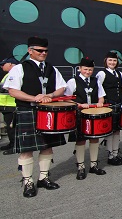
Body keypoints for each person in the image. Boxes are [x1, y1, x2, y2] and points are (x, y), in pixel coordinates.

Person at [4, 37, 67, 198]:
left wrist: (50, 95)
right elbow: (13, 91)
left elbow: (62, 87)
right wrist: (35, 98)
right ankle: (28, 181)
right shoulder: (19, 68)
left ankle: (43, 178)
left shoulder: (52, 69)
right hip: (28, 111)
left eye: (45, 50)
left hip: (48, 112)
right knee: (27, 149)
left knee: (47, 145)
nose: (43, 53)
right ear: (29, 50)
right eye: (39, 50)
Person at [64, 57, 107, 179]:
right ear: (80, 69)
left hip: (94, 114)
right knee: (81, 140)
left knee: (94, 139)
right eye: (85, 69)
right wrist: (79, 105)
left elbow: (101, 96)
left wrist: (100, 102)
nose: (88, 72)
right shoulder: (73, 81)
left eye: (90, 70)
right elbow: (67, 99)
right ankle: (80, 167)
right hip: (79, 115)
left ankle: (93, 165)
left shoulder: (96, 81)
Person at [96, 52, 122, 166]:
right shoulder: (102, 73)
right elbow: (98, 89)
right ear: (106, 61)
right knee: (110, 131)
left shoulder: (119, 73)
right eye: (110, 60)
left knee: (117, 130)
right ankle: (110, 155)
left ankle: (115, 153)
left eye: (114, 61)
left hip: (119, 104)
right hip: (109, 105)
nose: (112, 63)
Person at [0, 57, 19, 155]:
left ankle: (14, 146)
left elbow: (7, 89)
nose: (1, 66)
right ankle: (12, 144)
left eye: (3, 64)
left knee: (12, 127)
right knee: (9, 127)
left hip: (11, 105)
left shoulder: (13, 74)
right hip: (6, 106)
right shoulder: (8, 74)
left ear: (11, 64)